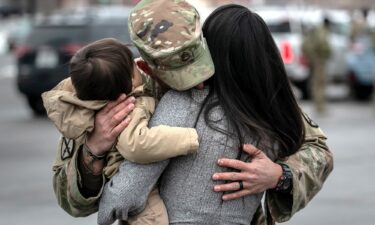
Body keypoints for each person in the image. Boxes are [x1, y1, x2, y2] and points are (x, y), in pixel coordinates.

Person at [51, 1, 333, 225]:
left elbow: (318, 150)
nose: (199, 81)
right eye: (181, 75)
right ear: (147, 68)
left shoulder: (236, 86)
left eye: (200, 64)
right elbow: (75, 203)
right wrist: (93, 152)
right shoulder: (112, 94)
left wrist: (279, 175)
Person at [43, 38, 202, 224]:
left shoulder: (104, 81)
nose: (140, 66)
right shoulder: (121, 107)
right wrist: (93, 152)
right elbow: (72, 202)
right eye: (134, 67)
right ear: (129, 83)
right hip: (141, 196)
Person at [301, 17, 332, 114]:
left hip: (315, 60)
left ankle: (318, 106)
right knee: (319, 84)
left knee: (316, 83)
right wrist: (326, 53)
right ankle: (320, 107)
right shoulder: (322, 31)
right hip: (319, 60)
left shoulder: (316, 31)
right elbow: (322, 44)